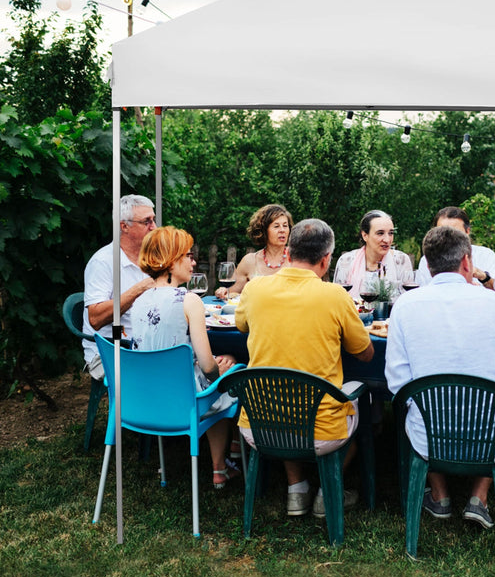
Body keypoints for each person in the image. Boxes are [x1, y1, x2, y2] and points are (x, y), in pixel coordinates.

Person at [385, 225, 495, 529]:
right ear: (467, 262)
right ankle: (479, 497)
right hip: (490, 436)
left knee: (420, 404)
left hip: (429, 434)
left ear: (427, 265)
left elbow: (397, 382)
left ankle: (440, 495)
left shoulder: (404, 306)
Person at [235, 218, 375, 518]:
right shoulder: (336, 296)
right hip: (320, 432)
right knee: (360, 404)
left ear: (288, 253)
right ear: (326, 260)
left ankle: (296, 490)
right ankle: (327, 492)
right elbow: (365, 354)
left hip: (258, 426)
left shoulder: (255, 288)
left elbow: (240, 325)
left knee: (284, 396)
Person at [129, 226, 240, 489]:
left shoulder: (138, 300)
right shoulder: (188, 300)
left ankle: (221, 466)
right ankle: (223, 465)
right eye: (186, 256)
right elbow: (206, 364)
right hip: (184, 400)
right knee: (229, 373)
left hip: (145, 398)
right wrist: (222, 371)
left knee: (216, 372)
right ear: (169, 260)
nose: (192, 262)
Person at [82, 194, 158, 380]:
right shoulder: (103, 262)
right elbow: (95, 317)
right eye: (146, 221)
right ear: (124, 226)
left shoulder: (151, 258)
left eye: (154, 220)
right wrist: (139, 289)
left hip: (147, 345)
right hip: (111, 352)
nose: (154, 227)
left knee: (201, 356)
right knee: (175, 368)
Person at [214, 204, 293, 299]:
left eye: (285, 226)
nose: (282, 230)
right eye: (276, 226)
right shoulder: (250, 261)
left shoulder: (298, 258)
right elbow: (230, 293)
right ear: (263, 231)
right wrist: (222, 292)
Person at [333, 210, 413, 301]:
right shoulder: (346, 261)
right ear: (365, 235)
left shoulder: (401, 260)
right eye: (380, 233)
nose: (387, 240)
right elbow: (337, 300)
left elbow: (408, 300)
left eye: (391, 233)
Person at [416, 206, 495, 289]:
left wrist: (484, 277)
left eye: (455, 233)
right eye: (441, 233)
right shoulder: (427, 259)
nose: (449, 239)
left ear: (467, 232)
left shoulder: (486, 255)